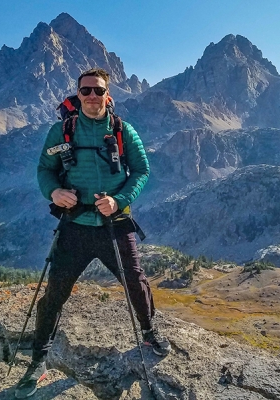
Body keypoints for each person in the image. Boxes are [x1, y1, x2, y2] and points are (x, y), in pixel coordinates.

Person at [15, 68, 170, 399]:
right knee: (55, 291)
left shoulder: (123, 131)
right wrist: (54, 192)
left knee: (135, 281)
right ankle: (38, 359)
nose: (92, 96)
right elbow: (45, 170)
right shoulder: (62, 130)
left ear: (108, 95)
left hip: (114, 224)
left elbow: (142, 170)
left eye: (98, 91)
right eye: (86, 91)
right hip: (75, 225)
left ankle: (148, 330)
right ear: (78, 94)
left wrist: (119, 200)